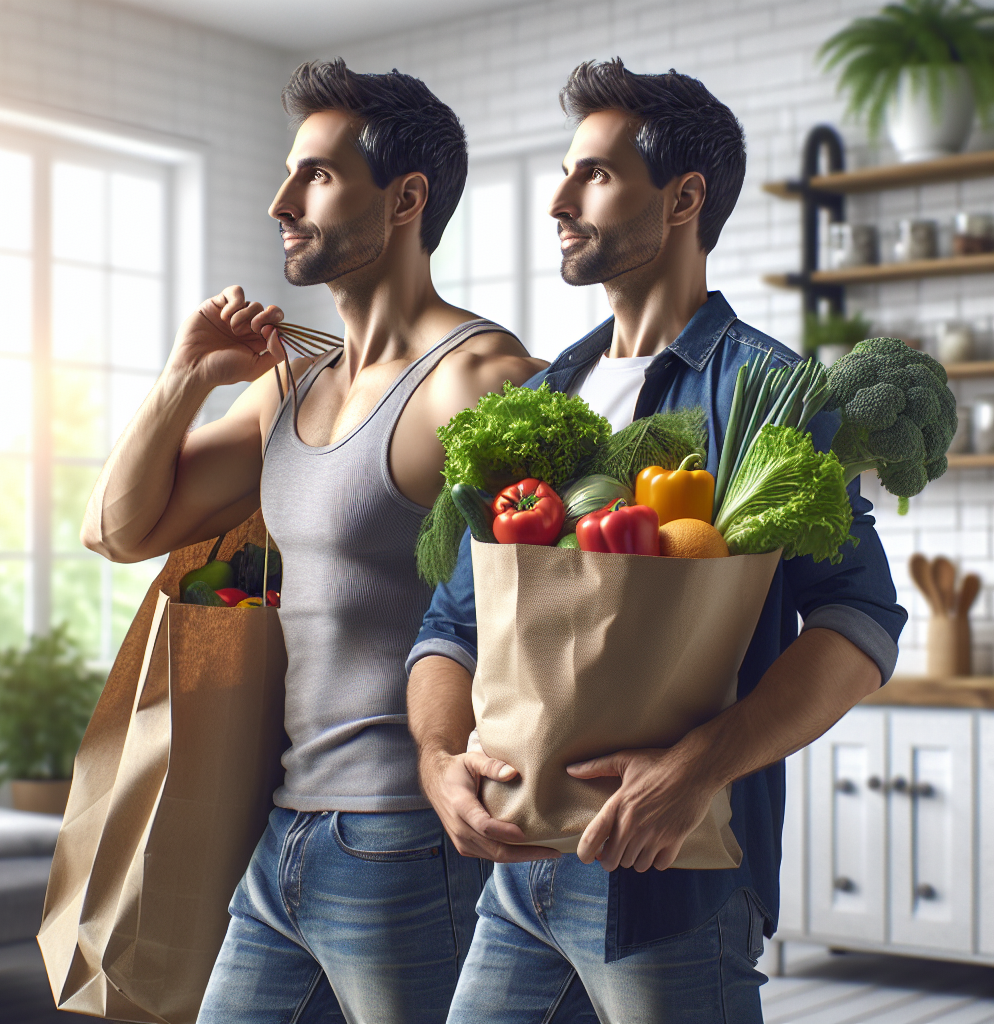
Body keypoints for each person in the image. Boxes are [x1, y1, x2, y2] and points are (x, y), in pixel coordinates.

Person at [405, 60, 906, 1024]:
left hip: (671, 876)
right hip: (515, 876)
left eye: (592, 174)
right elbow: (454, 620)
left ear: (683, 199)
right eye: (566, 172)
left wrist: (704, 764)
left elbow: (862, 618)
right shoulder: (545, 399)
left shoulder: (768, 395)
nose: (558, 198)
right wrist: (435, 759)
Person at [81, 59, 555, 1024]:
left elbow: (560, 620)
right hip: (284, 833)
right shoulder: (289, 389)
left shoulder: (484, 383)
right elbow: (116, 529)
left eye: (317, 176)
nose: (280, 202)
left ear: (406, 197)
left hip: (409, 841)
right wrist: (185, 377)